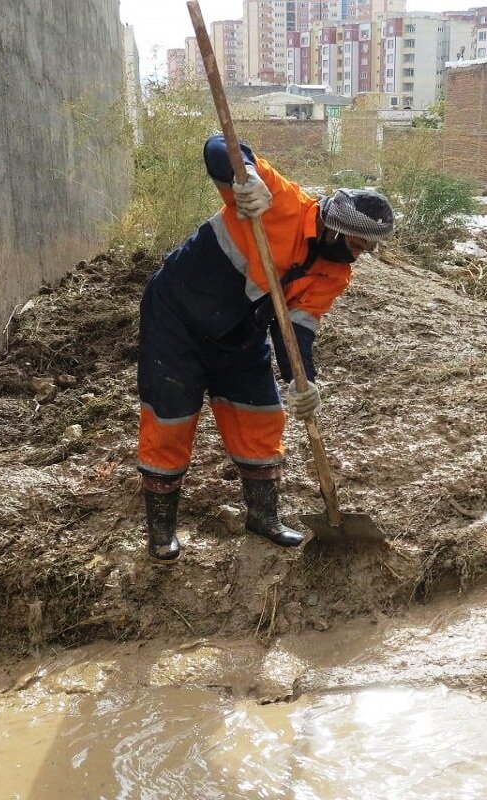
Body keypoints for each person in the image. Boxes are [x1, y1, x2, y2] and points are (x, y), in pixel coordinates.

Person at [136, 135, 394, 562]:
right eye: (356, 246)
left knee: (261, 417)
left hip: (241, 332)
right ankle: (161, 531)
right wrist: (247, 178)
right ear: (335, 227)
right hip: (178, 317)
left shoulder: (334, 273)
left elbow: (298, 330)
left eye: (366, 250)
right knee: (171, 419)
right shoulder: (281, 202)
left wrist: (303, 381)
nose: (358, 257)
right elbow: (219, 146)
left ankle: (263, 518)